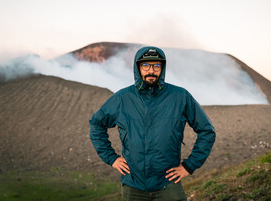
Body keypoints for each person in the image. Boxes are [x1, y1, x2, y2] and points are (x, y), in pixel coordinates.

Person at [89, 46, 216, 201]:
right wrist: (111, 158)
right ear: (138, 68)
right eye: (146, 66)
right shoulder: (123, 98)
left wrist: (189, 166)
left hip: (168, 184)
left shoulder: (180, 96)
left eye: (156, 66)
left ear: (162, 68)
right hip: (133, 186)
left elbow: (207, 131)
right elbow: (96, 124)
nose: (151, 70)